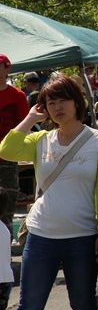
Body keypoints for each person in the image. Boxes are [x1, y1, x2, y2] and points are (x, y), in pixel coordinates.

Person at [0, 74, 98, 310]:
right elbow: (7, 149)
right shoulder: (41, 141)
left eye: (63, 99)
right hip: (41, 236)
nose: (57, 107)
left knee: (82, 307)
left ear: (77, 102)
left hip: (82, 237)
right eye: (50, 102)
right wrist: (30, 117)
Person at [0, 54, 29, 233]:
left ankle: (5, 257)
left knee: (6, 212)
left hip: (8, 161)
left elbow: (24, 127)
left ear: (7, 69)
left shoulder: (18, 96)